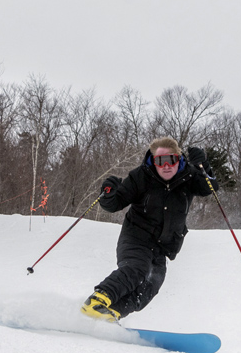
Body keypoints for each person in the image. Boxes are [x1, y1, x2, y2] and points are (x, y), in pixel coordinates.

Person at [81, 136, 218, 322]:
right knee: (137, 268)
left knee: (150, 286)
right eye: (160, 161)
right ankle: (96, 301)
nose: (166, 166)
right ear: (153, 161)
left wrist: (203, 165)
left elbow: (209, 187)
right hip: (136, 238)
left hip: (163, 246)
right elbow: (114, 204)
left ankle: (111, 314)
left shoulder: (190, 176)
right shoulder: (141, 176)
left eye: (171, 160)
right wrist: (107, 192)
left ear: (179, 159)